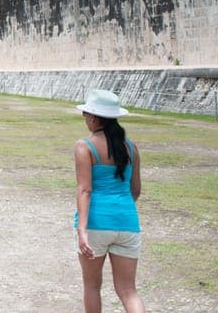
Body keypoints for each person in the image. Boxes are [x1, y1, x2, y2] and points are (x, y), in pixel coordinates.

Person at [74, 90, 145, 313]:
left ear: (94, 117)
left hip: (96, 222)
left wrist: (82, 230)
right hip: (127, 221)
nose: (85, 118)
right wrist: (119, 208)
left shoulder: (85, 147)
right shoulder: (131, 148)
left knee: (92, 287)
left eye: (85, 114)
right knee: (128, 291)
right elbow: (135, 190)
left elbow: (85, 190)